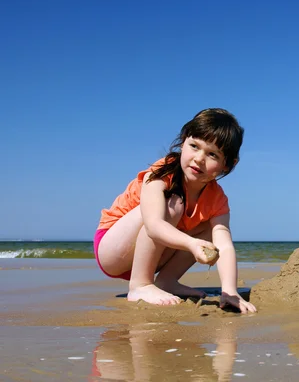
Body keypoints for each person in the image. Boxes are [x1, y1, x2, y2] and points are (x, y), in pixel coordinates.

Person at [94, 108, 256, 313]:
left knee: (212, 229)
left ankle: (166, 282)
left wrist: (229, 291)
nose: (199, 158)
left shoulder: (217, 199)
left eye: (212, 154)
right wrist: (192, 244)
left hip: (151, 256)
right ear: (182, 142)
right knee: (173, 203)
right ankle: (140, 285)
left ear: (227, 164)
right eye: (194, 146)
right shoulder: (163, 172)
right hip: (113, 248)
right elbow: (153, 225)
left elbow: (223, 246)